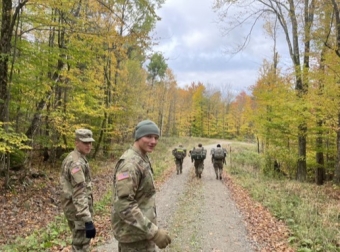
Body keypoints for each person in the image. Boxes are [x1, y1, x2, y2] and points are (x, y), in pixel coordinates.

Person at [111, 119, 171, 252]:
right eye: (148, 136)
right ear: (138, 137)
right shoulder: (130, 164)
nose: (153, 141)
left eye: (156, 137)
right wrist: (154, 232)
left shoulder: (142, 157)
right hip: (133, 238)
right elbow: (124, 204)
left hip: (141, 234)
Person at [60, 129, 96, 252]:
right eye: (85, 142)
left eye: (90, 142)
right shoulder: (76, 163)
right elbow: (79, 193)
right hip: (78, 212)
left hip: (76, 210)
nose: (89, 145)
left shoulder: (76, 157)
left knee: (79, 244)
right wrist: (87, 219)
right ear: (76, 142)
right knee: (81, 246)